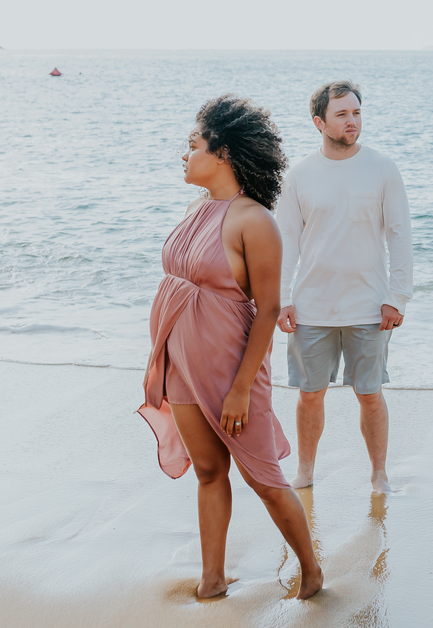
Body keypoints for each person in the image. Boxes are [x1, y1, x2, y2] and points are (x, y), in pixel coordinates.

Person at [138, 95, 323, 600]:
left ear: (222, 154)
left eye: (193, 144)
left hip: (230, 372)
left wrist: (242, 388)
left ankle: (312, 572)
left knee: (263, 477)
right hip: (181, 362)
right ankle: (212, 578)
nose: (185, 153)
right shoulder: (198, 209)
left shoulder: (254, 221)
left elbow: (266, 310)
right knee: (208, 470)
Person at [276, 81, 413, 494]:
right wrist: (282, 300)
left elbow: (400, 235)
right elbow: (287, 243)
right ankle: (304, 472)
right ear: (319, 122)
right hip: (311, 307)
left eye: (356, 113)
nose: (352, 121)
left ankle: (378, 475)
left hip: (370, 307)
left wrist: (397, 296)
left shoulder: (382, 168)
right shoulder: (298, 176)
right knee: (309, 395)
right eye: (342, 114)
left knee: (370, 394)